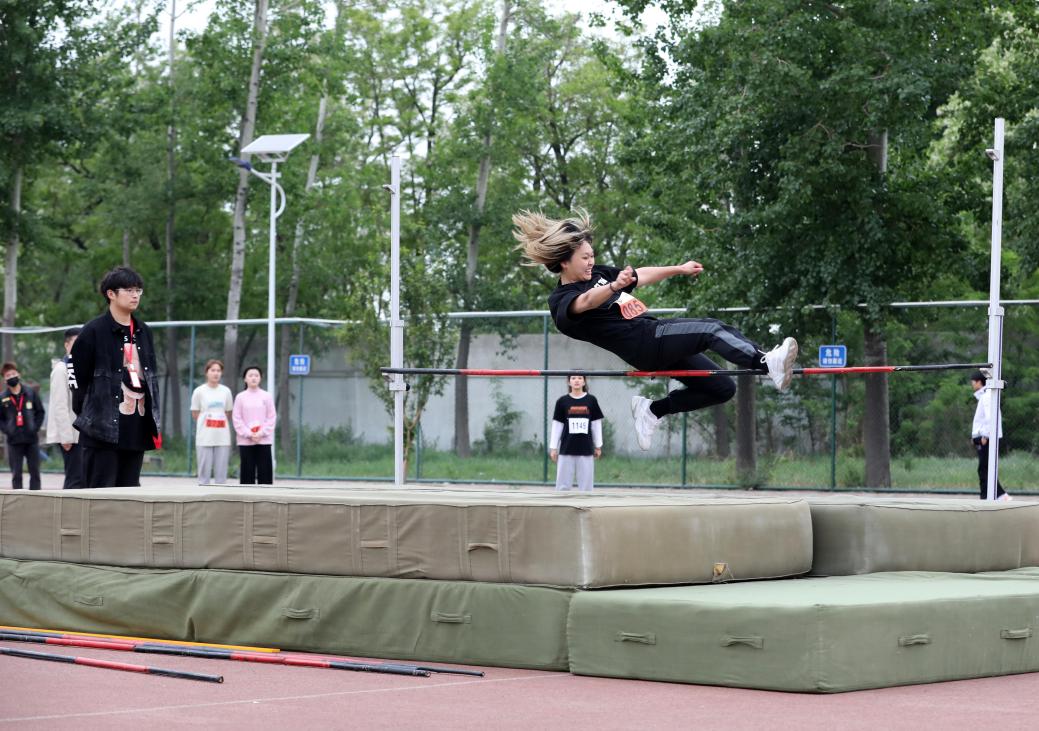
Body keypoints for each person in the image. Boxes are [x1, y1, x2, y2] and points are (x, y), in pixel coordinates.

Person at [513, 208, 797, 451]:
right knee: (711, 329)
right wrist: (613, 287)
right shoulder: (561, 300)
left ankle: (652, 410)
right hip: (646, 341)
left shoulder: (598, 273)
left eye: (592, 256)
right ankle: (765, 362)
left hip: (653, 341)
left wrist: (679, 269)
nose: (591, 262)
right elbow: (585, 302)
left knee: (722, 388)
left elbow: (640, 275)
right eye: (585, 258)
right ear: (564, 261)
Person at [69, 266, 162, 488]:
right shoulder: (93, 330)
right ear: (111, 293)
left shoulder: (143, 331)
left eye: (138, 290)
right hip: (101, 430)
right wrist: (90, 414)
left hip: (136, 426)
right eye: (129, 290)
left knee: (129, 493)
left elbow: (151, 377)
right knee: (100, 494)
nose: (135, 295)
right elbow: (75, 377)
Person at [549, 374, 604, 491]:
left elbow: (596, 424)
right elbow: (557, 425)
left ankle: (585, 503)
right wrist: (553, 448)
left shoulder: (591, 400)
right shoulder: (562, 401)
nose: (576, 380)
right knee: (562, 486)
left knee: (586, 488)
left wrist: (598, 446)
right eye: (573, 378)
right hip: (566, 449)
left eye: (580, 378)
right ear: (569, 382)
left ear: (584, 382)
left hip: (586, 450)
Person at [46, 327, 83, 489]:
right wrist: (66, 437)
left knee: (84, 478)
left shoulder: (82, 368)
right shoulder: (61, 369)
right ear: (66, 345)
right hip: (70, 436)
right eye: (76, 343)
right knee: (75, 478)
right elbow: (59, 405)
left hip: (83, 433)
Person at [0, 362, 45, 489]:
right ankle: (18, 499)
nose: (11, 377)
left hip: (31, 439)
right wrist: (7, 430)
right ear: (5, 379)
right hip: (14, 441)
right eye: (8, 375)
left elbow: (40, 412)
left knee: (35, 473)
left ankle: (36, 498)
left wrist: (35, 428)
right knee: (16, 474)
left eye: (13, 374)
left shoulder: (30, 393)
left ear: (18, 374)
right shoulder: (3, 397)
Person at [190, 359, 234, 485]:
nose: (216, 373)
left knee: (221, 474)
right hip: (205, 436)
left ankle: (221, 495)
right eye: (213, 370)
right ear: (207, 372)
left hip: (222, 437)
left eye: (218, 371)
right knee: (204, 473)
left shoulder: (226, 391)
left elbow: (228, 412)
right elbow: (195, 412)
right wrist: (207, 422)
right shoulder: (199, 391)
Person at [232, 365, 276, 485]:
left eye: (256, 375)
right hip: (245, 441)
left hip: (264, 440)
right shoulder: (240, 397)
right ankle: (247, 496)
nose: (253, 378)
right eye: (250, 375)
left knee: (265, 473)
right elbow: (237, 418)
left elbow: (271, 417)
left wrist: (261, 433)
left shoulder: (267, 396)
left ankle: (266, 495)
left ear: (260, 378)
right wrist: (249, 434)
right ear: (245, 379)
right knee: (247, 472)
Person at [971, 370, 1009, 501]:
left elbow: (990, 417)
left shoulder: (987, 396)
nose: (972, 384)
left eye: (973, 382)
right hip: (985, 437)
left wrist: (985, 436)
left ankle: (992, 497)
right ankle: (997, 496)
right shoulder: (985, 395)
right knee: (986, 469)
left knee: (984, 469)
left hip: (987, 438)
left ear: (979, 382)